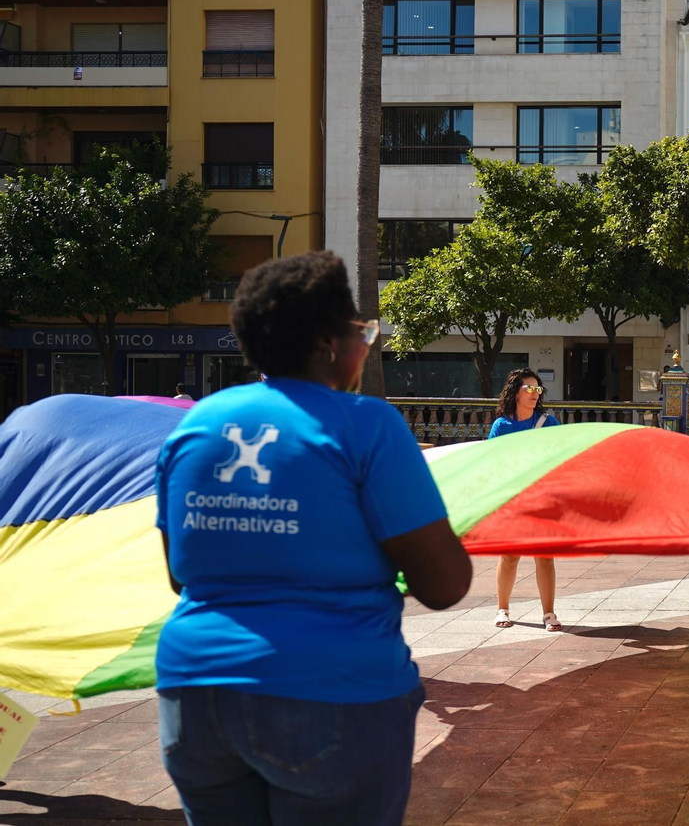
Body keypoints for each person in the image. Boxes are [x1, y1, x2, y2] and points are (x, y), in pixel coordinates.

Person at [153, 251, 473, 826]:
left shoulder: (196, 425)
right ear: (330, 341)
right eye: (363, 331)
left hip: (194, 695)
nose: (365, 345)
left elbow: (183, 572)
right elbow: (445, 586)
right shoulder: (366, 425)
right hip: (333, 696)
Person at [489, 369, 563, 631]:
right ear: (515, 392)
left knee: (545, 557)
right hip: (513, 498)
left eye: (538, 389)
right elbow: (493, 461)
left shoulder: (549, 422)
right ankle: (502, 609)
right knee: (510, 556)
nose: (534, 394)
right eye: (529, 389)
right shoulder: (502, 426)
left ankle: (549, 614)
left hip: (541, 497)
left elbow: (559, 457)